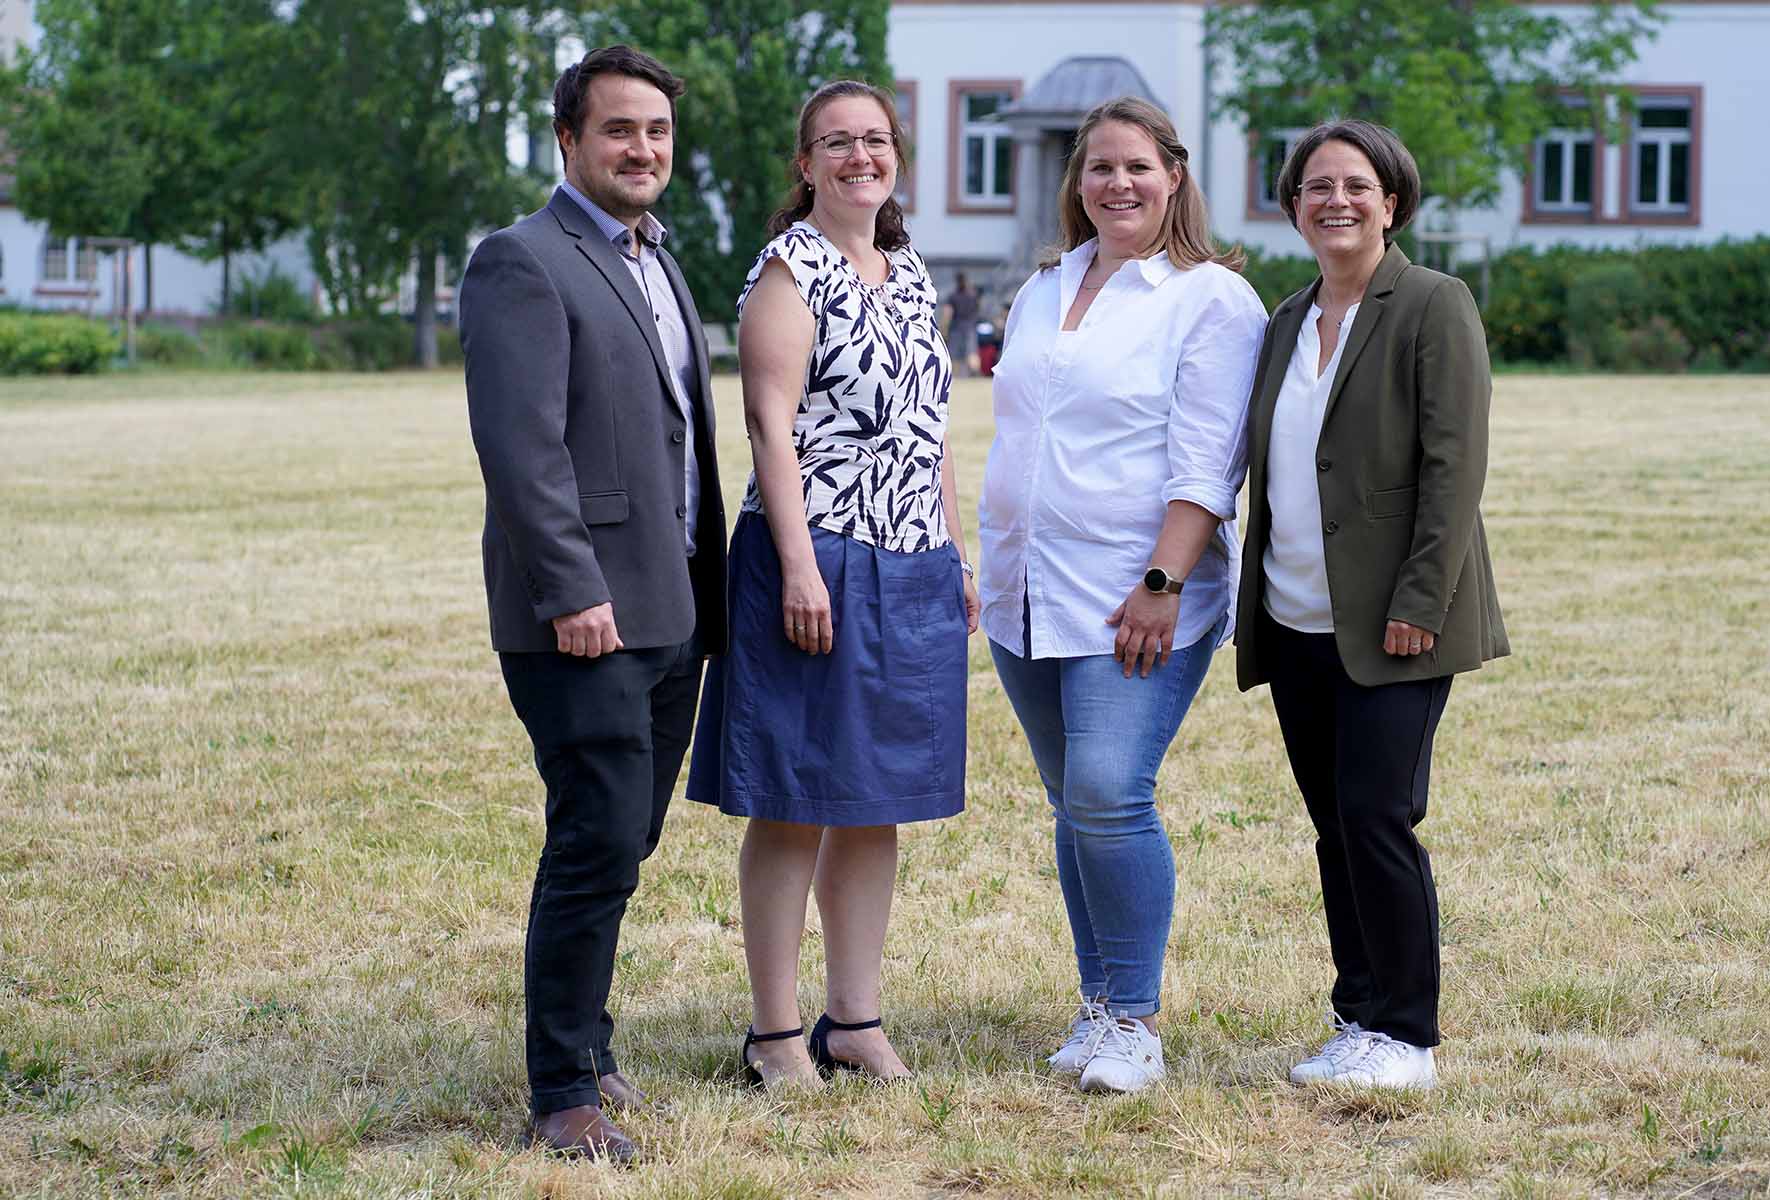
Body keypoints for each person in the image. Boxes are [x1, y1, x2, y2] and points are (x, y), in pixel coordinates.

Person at [460, 45, 726, 1160]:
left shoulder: (660, 261)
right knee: (593, 839)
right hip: (585, 619)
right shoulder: (521, 260)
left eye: (658, 132)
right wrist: (572, 591)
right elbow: (523, 455)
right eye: (620, 130)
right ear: (569, 139)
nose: (643, 150)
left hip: (673, 609)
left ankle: (592, 1047)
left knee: (625, 838)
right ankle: (561, 1094)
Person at [687, 80, 977, 1090]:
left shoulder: (908, 274)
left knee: (875, 800)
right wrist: (802, 567)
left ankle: (854, 1019)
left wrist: (954, 547)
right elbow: (771, 426)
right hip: (815, 559)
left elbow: (929, 426)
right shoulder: (788, 271)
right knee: (796, 799)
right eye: (836, 143)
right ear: (806, 165)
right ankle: (774, 1033)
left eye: (876, 139)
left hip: (911, 562)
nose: (861, 155)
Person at [976, 96, 1266, 1094]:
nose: (1118, 185)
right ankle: (1097, 1005)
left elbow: (1207, 464)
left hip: (1134, 596)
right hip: (1024, 593)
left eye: (1138, 167)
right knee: (1072, 804)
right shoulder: (1045, 287)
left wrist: (1161, 583)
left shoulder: (1207, 300)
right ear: (1077, 182)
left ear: (1174, 176)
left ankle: (1135, 1020)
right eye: (1099, 168)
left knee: (1108, 790)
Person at [1234, 119, 1508, 1090]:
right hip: (1296, 615)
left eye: (1356, 185)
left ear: (1392, 202)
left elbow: (1454, 465)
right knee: (1333, 827)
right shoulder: (1284, 320)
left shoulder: (1434, 304)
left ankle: (1408, 1036)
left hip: (1397, 619)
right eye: (1315, 187)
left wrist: (1422, 599)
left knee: (1378, 816)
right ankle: (1358, 1019)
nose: (1335, 201)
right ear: (1293, 207)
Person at [944, 272, 980, 376]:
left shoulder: (953, 296)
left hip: (956, 328)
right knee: (972, 353)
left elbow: (947, 314)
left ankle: (955, 379)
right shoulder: (973, 296)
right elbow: (977, 310)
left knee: (954, 356)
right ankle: (975, 376)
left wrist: (944, 330)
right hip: (970, 327)